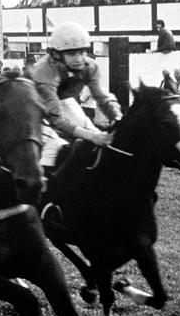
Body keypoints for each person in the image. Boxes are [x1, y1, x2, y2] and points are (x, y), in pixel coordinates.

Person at [28, 21, 123, 198]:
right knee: (54, 145)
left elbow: (101, 97)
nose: (79, 58)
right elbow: (55, 119)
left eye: (82, 51)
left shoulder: (90, 67)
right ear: (55, 54)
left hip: (64, 101)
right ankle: (43, 196)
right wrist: (92, 137)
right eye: (72, 53)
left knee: (94, 132)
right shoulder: (43, 72)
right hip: (32, 107)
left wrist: (118, 117)